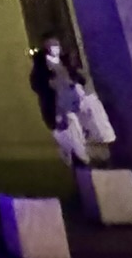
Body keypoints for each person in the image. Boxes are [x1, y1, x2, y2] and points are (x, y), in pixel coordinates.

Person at [29, 34, 90, 169]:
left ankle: (80, 158)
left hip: (71, 104)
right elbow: (37, 84)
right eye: (52, 46)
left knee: (76, 133)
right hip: (56, 107)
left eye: (57, 45)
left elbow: (78, 78)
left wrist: (76, 82)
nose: (56, 48)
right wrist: (50, 84)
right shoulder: (42, 68)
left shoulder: (64, 64)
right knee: (65, 135)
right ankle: (74, 158)